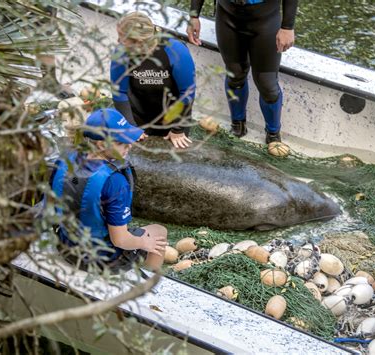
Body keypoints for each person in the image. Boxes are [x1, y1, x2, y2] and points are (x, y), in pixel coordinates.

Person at [50, 108, 168, 271]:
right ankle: (150, 280)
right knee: (159, 232)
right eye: (121, 142)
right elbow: (120, 240)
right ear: (100, 144)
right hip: (100, 261)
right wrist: (144, 243)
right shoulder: (114, 181)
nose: (130, 145)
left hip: (66, 247)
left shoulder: (63, 160)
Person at [187, 0, 298, 152]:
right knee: (235, 74)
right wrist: (194, 16)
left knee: (267, 85)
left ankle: (273, 134)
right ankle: (237, 125)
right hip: (228, 17)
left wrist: (287, 27)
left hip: (265, 20)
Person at [111, 12, 196, 149]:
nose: (118, 42)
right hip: (138, 115)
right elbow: (119, 91)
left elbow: (187, 91)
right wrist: (130, 127)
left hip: (173, 116)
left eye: (122, 38)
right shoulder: (121, 53)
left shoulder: (175, 49)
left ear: (139, 42)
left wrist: (178, 128)